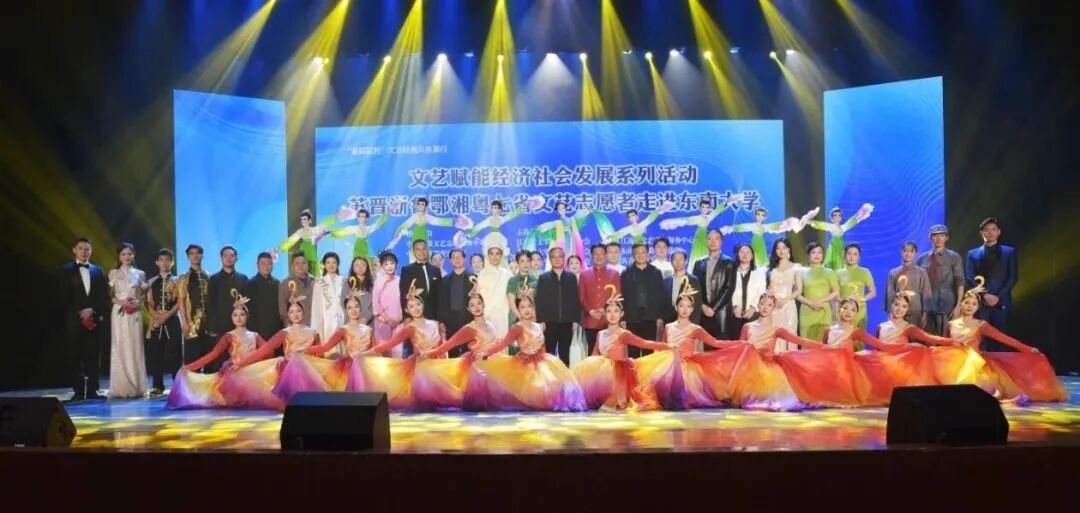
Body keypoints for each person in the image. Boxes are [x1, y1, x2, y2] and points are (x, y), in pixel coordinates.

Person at [468, 286, 587, 412]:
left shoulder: (539, 326)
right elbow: (503, 344)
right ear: (518, 310)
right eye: (522, 307)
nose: (526, 310)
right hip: (524, 365)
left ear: (533, 308)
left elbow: (542, 347)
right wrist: (485, 353)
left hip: (541, 363)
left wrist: (544, 362)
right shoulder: (517, 328)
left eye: (529, 306)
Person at [638, 280, 747, 410]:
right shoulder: (668, 327)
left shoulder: (695, 328)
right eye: (681, 306)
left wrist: (740, 343)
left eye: (688, 306)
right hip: (669, 367)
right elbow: (663, 348)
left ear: (692, 309)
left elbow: (716, 342)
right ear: (676, 307)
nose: (685, 310)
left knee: (686, 397)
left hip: (688, 369)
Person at [941, 291, 1067, 402]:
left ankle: (1007, 401)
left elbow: (1003, 338)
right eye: (967, 303)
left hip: (975, 364)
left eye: (974, 304)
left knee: (980, 390)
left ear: (978, 307)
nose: (970, 306)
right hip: (954, 363)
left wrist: (1027, 348)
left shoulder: (981, 325)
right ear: (961, 304)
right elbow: (946, 344)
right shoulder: (951, 324)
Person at [571, 286, 672, 411]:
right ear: (604, 314)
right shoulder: (600, 334)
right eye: (609, 311)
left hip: (620, 375)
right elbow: (594, 356)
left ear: (622, 314)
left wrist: (667, 346)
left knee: (619, 402)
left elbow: (645, 343)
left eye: (616, 311)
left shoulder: (624, 334)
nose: (612, 315)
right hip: (604, 376)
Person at [167, 291, 272, 409]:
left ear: (247, 316)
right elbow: (214, 354)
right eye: (235, 315)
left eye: (242, 314)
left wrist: (258, 362)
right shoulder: (229, 336)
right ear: (231, 317)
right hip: (234, 373)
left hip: (251, 373)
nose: (238, 318)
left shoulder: (254, 335)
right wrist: (192, 366)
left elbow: (269, 351)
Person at [777, 298, 890, 407]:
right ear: (839, 309)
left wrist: (899, 348)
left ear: (856, 314)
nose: (848, 312)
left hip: (846, 371)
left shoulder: (856, 332)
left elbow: (879, 344)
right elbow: (822, 348)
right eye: (845, 308)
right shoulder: (829, 330)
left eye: (853, 310)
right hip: (828, 368)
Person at [274, 287, 372, 401]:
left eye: (356, 306)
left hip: (368, 368)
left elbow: (375, 350)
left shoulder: (369, 330)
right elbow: (325, 347)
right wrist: (306, 349)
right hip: (351, 369)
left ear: (360, 308)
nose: (353, 310)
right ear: (345, 310)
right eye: (350, 307)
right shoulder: (342, 330)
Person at [360, 285, 445, 410]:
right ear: (406, 310)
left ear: (423, 305)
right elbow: (390, 344)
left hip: (439, 368)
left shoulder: (435, 324)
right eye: (411, 306)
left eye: (418, 304)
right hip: (422, 369)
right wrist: (367, 353)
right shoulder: (409, 328)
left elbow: (443, 347)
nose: (416, 308)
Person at [862, 295, 957, 404]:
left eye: (904, 306)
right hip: (884, 365)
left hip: (901, 366)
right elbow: (876, 346)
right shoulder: (881, 326)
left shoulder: (908, 327)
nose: (899, 309)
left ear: (907, 309)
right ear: (891, 305)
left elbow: (929, 337)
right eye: (896, 304)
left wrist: (951, 341)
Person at [733, 294, 820, 411]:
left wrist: (822, 346)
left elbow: (799, 341)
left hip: (769, 370)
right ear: (758, 305)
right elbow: (739, 348)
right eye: (762, 304)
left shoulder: (776, 329)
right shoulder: (747, 326)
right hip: (750, 368)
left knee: (771, 399)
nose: (765, 307)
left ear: (774, 308)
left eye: (769, 305)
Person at [420, 290, 502, 410]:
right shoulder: (469, 328)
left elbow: (494, 343)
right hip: (478, 369)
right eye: (472, 305)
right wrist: (430, 353)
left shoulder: (490, 325)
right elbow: (450, 344)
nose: (476, 307)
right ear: (468, 309)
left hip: (492, 364)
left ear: (484, 305)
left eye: (479, 303)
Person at [62, 238, 110, 401]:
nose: (84, 251)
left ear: (91, 251)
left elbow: (104, 295)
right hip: (74, 321)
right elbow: (62, 296)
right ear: (74, 250)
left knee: (93, 356)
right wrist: (79, 312)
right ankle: (77, 391)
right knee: (74, 356)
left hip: (94, 320)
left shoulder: (98, 271)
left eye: (87, 249)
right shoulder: (65, 270)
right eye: (81, 248)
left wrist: (92, 310)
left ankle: (92, 391)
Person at [965, 217, 1018, 351]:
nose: (990, 232)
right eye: (987, 230)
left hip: (1001, 302)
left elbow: (1012, 278)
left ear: (999, 232)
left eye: (993, 229)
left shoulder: (1009, 252)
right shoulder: (972, 253)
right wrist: (985, 295)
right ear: (981, 233)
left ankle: (999, 365)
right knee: (980, 340)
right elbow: (970, 277)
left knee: (1001, 339)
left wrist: (997, 297)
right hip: (980, 303)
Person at [106, 243, 147, 399]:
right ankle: (120, 386)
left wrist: (137, 302)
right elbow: (110, 296)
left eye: (129, 254)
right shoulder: (113, 273)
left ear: (133, 255)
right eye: (123, 254)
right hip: (119, 312)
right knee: (120, 345)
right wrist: (122, 303)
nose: (127, 257)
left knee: (135, 346)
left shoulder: (140, 274)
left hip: (135, 312)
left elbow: (143, 296)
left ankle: (137, 386)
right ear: (119, 256)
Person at [915, 224, 965, 336]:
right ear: (930, 238)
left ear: (946, 238)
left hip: (947, 306)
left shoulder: (954, 257)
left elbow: (960, 281)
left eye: (941, 235)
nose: (938, 238)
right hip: (926, 308)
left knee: (946, 340)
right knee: (928, 340)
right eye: (935, 235)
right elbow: (917, 285)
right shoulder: (922, 259)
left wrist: (958, 306)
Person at [660, 197, 739, 266]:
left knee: (707, 256)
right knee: (697, 257)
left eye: (707, 207)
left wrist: (727, 202)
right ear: (700, 208)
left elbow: (717, 211)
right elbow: (686, 220)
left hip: (706, 239)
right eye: (703, 207)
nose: (705, 209)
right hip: (699, 240)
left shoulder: (709, 217)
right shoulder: (697, 218)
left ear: (709, 209)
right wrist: (672, 222)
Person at [535, 247, 581, 366]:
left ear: (564, 258)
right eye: (553, 257)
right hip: (549, 322)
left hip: (567, 322)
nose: (557, 259)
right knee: (548, 355)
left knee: (565, 354)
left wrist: (576, 319)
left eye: (559, 256)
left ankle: (564, 376)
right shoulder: (543, 278)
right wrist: (541, 320)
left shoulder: (571, 277)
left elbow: (575, 299)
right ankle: (549, 376)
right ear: (550, 259)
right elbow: (539, 300)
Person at [145, 248, 181, 396]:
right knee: (156, 354)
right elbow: (148, 302)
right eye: (161, 260)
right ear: (157, 262)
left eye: (167, 260)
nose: (164, 263)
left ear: (172, 262)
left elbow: (180, 302)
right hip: (156, 321)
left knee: (175, 354)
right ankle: (157, 386)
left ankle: (177, 386)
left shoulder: (178, 280)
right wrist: (156, 315)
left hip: (172, 320)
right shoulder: (151, 281)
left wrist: (167, 315)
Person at [206, 245, 248, 370]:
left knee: (239, 359)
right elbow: (210, 304)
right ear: (221, 259)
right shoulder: (214, 279)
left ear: (236, 259)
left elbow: (247, 303)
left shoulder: (243, 278)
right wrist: (212, 327)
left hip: (239, 326)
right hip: (220, 327)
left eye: (232, 256)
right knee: (221, 360)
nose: (229, 258)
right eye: (226, 255)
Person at [621, 243, 667, 357]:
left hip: (650, 318)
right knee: (633, 352)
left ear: (648, 253)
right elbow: (622, 296)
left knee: (649, 352)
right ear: (633, 255)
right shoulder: (626, 273)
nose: (640, 255)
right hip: (632, 318)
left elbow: (661, 296)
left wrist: (660, 317)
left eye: (643, 252)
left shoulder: (656, 272)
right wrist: (622, 317)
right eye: (637, 253)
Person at [691, 229, 736, 343]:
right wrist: (702, 306)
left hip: (721, 313)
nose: (713, 242)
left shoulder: (728, 262)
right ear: (706, 241)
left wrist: (713, 308)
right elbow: (695, 288)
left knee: (722, 347)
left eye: (716, 239)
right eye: (709, 239)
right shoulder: (699, 263)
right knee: (705, 348)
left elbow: (729, 288)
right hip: (702, 313)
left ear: (721, 242)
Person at [388, 197, 466, 263]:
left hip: (424, 235)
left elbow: (438, 221)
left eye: (422, 204)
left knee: (425, 253)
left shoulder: (427, 217)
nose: (420, 206)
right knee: (414, 253)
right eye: (419, 204)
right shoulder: (414, 216)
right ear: (416, 206)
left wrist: (452, 222)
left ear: (426, 207)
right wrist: (398, 231)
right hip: (416, 235)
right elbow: (405, 225)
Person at [722, 207, 802, 267]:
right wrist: (730, 228)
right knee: (754, 257)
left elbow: (776, 226)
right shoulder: (752, 226)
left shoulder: (765, 227)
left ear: (765, 217)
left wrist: (789, 224)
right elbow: (742, 227)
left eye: (762, 215)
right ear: (755, 215)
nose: (760, 216)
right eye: (758, 214)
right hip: (755, 243)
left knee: (762, 260)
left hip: (761, 245)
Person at [579, 243, 620, 357]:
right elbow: (581, 297)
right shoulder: (584, 274)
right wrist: (590, 311)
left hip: (608, 320)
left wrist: (604, 310)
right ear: (591, 255)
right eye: (596, 253)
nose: (599, 256)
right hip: (590, 320)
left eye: (601, 253)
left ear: (605, 255)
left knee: (609, 353)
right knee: (592, 353)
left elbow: (616, 295)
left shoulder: (614, 274)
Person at [803, 204, 874, 270]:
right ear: (832, 218)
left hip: (840, 246)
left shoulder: (843, 227)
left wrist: (860, 214)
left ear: (841, 217)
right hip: (834, 246)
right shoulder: (831, 226)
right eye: (835, 215)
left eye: (839, 215)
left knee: (841, 262)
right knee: (834, 262)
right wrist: (809, 221)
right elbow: (820, 225)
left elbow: (851, 222)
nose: (837, 217)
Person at [458, 199, 531, 261]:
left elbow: (512, 215)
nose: (493, 210)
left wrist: (524, 207)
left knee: (502, 258)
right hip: (490, 241)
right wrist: (468, 235)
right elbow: (478, 227)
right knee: (490, 258)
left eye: (495, 208)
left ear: (500, 210)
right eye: (492, 208)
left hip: (501, 241)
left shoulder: (502, 219)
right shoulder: (489, 220)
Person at [796, 242, 839, 342]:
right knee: (807, 343)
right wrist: (810, 303)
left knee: (823, 343)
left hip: (823, 310)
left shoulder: (829, 272)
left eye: (819, 252)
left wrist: (821, 301)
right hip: (807, 311)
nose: (817, 255)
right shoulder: (801, 272)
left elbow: (836, 292)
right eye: (813, 252)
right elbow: (797, 294)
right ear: (808, 255)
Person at [437, 249, 476, 357]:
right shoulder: (445, 280)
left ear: (464, 259)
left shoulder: (473, 278)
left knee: (469, 353)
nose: (457, 259)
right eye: (454, 257)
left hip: (469, 320)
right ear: (450, 260)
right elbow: (441, 302)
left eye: (459, 257)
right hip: (451, 322)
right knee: (452, 353)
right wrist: (441, 321)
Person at [523, 200, 590, 262]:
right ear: (557, 211)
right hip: (562, 239)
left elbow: (576, 217)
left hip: (572, 238)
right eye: (559, 209)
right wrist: (543, 227)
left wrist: (584, 212)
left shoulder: (571, 219)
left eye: (563, 208)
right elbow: (551, 224)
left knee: (573, 255)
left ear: (566, 209)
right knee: (564, 255)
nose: (562, 210)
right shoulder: (558, 222)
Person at [765, 238, 801, 352]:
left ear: (788, 249)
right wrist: (770, 294)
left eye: (783, 248)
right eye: (778, 248)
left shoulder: (796, 267)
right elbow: (770, 288)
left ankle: (790, 361)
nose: (781, 251)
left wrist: (785, 299)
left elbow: (799, 290)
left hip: (789, 306)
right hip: (774, 307)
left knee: (790, 335)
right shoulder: (771, 268)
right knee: (775, 336)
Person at [177, 244, 210, 367]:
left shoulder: (209, 276)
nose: (195, 256)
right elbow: (181, 301)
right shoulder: (184, 278)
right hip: (192, 325)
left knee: (209, 361)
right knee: (192, 362)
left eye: (198, 253)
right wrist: (184, 323)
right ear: (188, 257)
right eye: (192, 253)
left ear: (202, 255)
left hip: (209, 325)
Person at [886, 241, 932, 327]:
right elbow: (890, 294)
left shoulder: (921, 272)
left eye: (911, 251)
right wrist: (890, 312)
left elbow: (926, 293)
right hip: (898, 311)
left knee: (913, 334)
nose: (908, 254)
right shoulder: (893, 273)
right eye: (905, 251)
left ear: (915, 253)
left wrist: (925, 313)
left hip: (915, 311)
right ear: (901, 252)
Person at [244, 252, 282, 351]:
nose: (266, 266)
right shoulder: (250, 284)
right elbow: (248, 311)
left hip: (276, 331)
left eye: (269, 264)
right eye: (263, 264)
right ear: (257, 265)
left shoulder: (277, 283)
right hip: (257, 332)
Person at [399, 239, 441, 329]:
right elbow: (403, 294)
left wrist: (441, 318)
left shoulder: (436, 270)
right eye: (418, 249)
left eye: (424, 249)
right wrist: (406, 316)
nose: (421, 252)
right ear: (413, 252)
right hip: (414, 315)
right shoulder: (407, 270)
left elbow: (440, 295)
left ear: (428, 250)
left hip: (433, 315)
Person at [278, 209, 332, 276]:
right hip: (303, 253)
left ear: (309, 221)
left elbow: (317, 237)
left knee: (313, 273)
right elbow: (290, 241)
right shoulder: (300, 232)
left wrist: (323, 234)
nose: (302, 221)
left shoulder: (314, 230)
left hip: (311, 255)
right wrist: (278, 249)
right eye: (301, 219)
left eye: (304, 219)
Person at [311, 252, 348, 349]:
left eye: (334, 262)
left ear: (338, 264)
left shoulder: (344, 281)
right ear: (324, 265)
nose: (331, 265)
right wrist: (317, 329)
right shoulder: (320, 282)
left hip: (343, 320)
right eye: (328, 262)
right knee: (329, 349)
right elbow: (316, 308)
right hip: (327, 322)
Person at [729, 243, 766, 340]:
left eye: (748, 252)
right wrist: (734, 307)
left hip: (753, 313)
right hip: (735, 312)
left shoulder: (759, 272)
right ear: (737, 254)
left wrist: (753, 308)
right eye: (742, 252)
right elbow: (728, 290)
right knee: (736, 342)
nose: (745, 254)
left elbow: (761, 291)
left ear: (752, 256)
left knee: (751, 342)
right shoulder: (731, 271)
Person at [836, 243, 876, 331]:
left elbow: (873, 292)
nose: (852, 257)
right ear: (844, 255)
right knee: (843, 337)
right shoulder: (838, 273)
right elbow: (835, 294)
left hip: (859, 311)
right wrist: (844, 302)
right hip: (843, 311)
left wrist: (861, 299)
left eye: (855, 254)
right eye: (849, 253)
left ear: (859, 257)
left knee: (858, 337)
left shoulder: (864, 272)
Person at [372, 251, 404, 357]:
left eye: (392, 263)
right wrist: (387, 319)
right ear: (382, 266)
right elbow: (376, 302)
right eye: (386, 264)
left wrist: (399, 319)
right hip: (382, 322)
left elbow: (405, 301)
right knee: (384, 352)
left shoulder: (401, 280)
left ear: (396, 264)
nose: (390, 266)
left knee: (397, 353)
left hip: (398, 322)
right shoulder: (379, 281)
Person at [595, 202, 673, 245]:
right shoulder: (628, 229)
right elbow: (618, 234)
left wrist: (660, 209)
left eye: (633, 215)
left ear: (637, 216)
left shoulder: (643, 224)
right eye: (629, 217)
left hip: (645, 247)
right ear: (628, 219)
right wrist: (607, 240)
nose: (632, 218)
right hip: (636, 249)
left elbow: (651, 217)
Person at [477, 246, 513, 338]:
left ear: (501, 256)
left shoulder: (508, 274)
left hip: (503, 313)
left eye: (497, 253)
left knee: (503, 341)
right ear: (488, 255)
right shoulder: (482, 273)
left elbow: (511, 296)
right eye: (491, 253)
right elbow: (480, 295)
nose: (494, 256)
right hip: (487, 314)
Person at [663, 249, 702, 325]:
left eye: (681, 259)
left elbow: (697, 305)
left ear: (686, 261)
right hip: (669, 323)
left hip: (687, 322)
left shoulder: (693, 280)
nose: (678, 262)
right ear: (671, 262)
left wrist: (694, 325)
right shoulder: (666, 281)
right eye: (675, 259)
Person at [278, 253, 314, 326]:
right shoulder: (285, 283)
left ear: (308, 265)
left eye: (303, 263)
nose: (300, 266)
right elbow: (283, 309)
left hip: (315, 325)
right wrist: (289, 327)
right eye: (297, 263)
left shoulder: (316, 282)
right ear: (292, 266)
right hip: (296, 326)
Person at [506, 250, 539, 329]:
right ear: (517, 263)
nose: (525, 264)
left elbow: (536, 303)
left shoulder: (535, 280)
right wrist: (522, 319)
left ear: (530, 262)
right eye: (522, 261)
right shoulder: (513, 280)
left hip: (532, 320)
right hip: (516, 319)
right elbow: (511, 303)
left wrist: (533, 319)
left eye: (528, 261)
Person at [344, 257, 375, 325]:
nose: (360, 267)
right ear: (353, 268)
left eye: (363, 264)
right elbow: (343, 303)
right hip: (351, 322)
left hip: (369, 323)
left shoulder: (373, 283)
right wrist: (348, 297)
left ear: (367, 267)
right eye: (357, 265)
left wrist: (366, 318)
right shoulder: (347, 283)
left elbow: (375, 305)